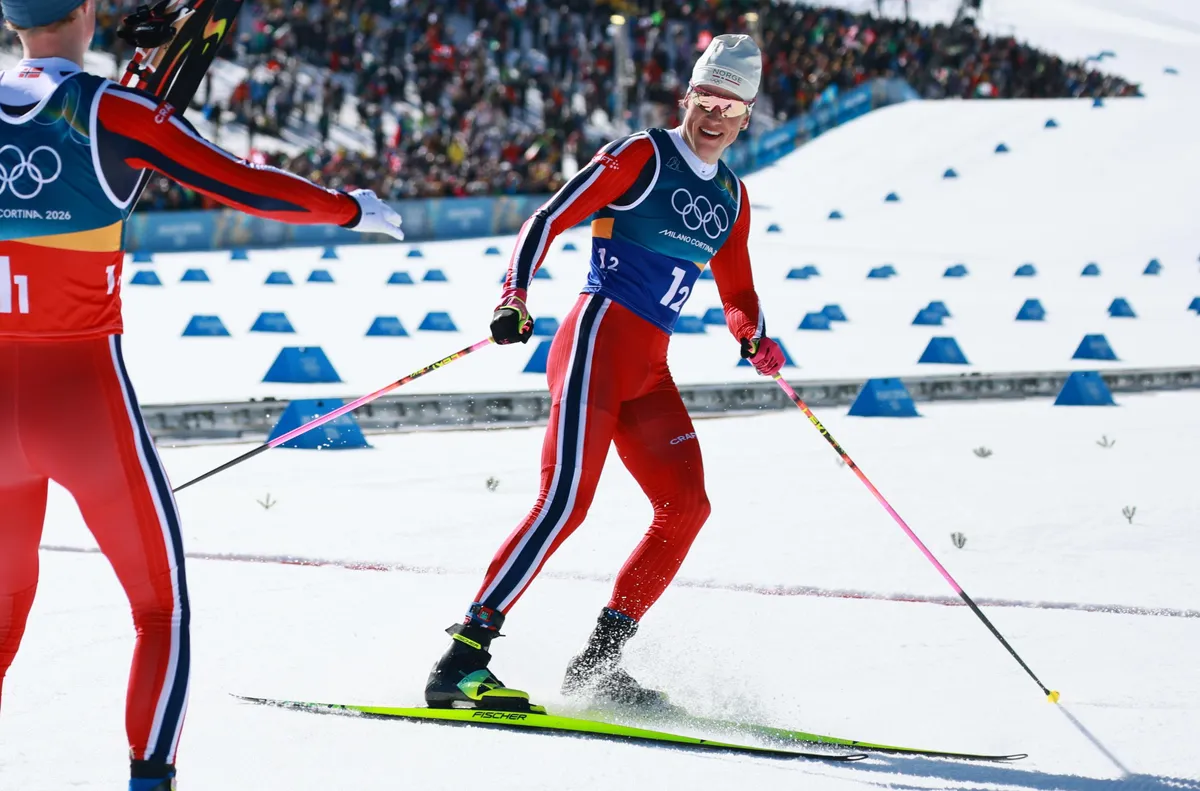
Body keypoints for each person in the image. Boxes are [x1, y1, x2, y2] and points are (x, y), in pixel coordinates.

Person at [0, 1, 404, 789]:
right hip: (83, 395)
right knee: (160, 614)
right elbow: (246, 183)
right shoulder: (113, 110)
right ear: (86, 10)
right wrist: (351, 207)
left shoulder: (112, 106)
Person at [425, 34, 785, 711]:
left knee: (686, 507)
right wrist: (514, 294)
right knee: (564, 504)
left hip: (648, 368)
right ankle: (461, 659)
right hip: (595, 342)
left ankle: (596, 666)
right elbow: (547, 217)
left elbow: (736, 291)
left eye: (729, 105)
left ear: (747, 115)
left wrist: (751, 334)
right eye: (704, 98)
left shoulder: (732, 198)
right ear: (687, 97)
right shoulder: (642, 155)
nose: (713, 114)